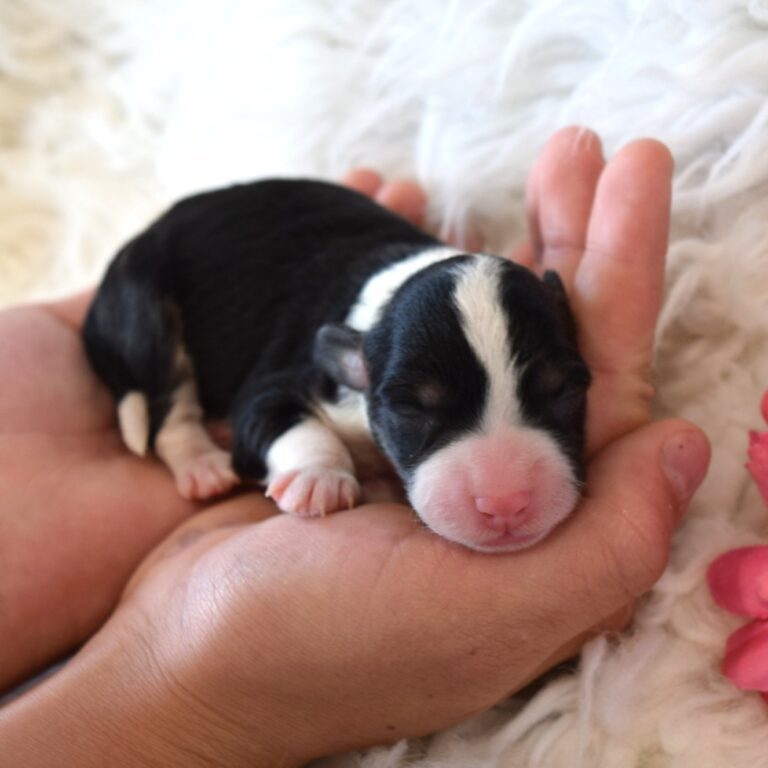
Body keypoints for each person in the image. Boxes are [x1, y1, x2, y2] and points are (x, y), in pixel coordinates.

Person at [0, 127, 710, 766]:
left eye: (556, 396)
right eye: (418, 409)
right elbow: (266, 409)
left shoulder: (425, 343)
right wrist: (312, 456)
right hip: (165, 273)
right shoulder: (350, 362)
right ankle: (173, 424)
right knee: (153, 350)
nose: (504, 496)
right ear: (357, 371)